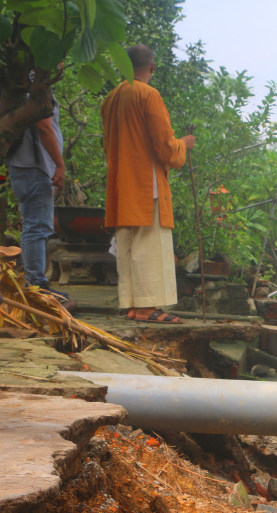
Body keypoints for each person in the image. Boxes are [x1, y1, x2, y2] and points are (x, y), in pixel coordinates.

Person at [101, 44, 195, 323]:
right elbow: (165, 146)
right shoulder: (148, 94)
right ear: (152, 67)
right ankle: (145, 307)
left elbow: (107, 144)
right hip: (145, 183)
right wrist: (184, 145)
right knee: (149, 245)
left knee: (129, 243)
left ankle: (132, 304)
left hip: (121, 181)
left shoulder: (111, 97)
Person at [3, 79, 73, 307]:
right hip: (35, 167)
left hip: (22, 166)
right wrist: (59, 165)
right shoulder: (37, 87)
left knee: (32, 225)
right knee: (37, 227)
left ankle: (34, 282)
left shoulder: (21, 84)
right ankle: (37, 286)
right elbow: (44, 127)